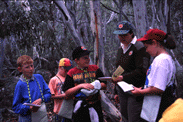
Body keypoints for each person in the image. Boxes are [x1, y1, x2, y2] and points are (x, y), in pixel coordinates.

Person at [131, 28, 176, 121]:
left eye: (146, 47)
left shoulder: (162, 61)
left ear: (155, 43)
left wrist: (141, 92)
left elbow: (158, 88)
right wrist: (143, 89)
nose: (146, 50)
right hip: (155, 105)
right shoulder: (163, 59)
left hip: (160, 106)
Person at [112, 21, 150, 122]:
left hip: (135, 90)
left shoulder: (139, 47)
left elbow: (141, 71)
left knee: (134, 117)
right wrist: (116, 90)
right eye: (120, 35)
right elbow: (119, 68)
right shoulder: (121, 48)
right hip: (122, 89)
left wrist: (123, 77)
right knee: (124, 117)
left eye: (125, 35)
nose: (122, 37)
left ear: (131, 33)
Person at [62, 46, 107, 122]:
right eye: (85, 58)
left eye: (88, 57)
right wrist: (80, 86)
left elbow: (104, 85)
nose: (88, 59)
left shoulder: (95, 69)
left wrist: (95, 86)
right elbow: (67, 93)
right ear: (77, 60)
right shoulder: (71, 73)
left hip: (96, 105)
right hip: (80, 108)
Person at [12, 55, 51, 122]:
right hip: (26, 119)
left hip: (41, 116)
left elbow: (48, 94)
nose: (31, 69)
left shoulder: (39, 78)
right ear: (20, 69)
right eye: (27, 67)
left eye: (32, 66)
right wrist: (29, 107)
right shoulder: (20, 85)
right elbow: (16, 107)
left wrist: (41, 99)